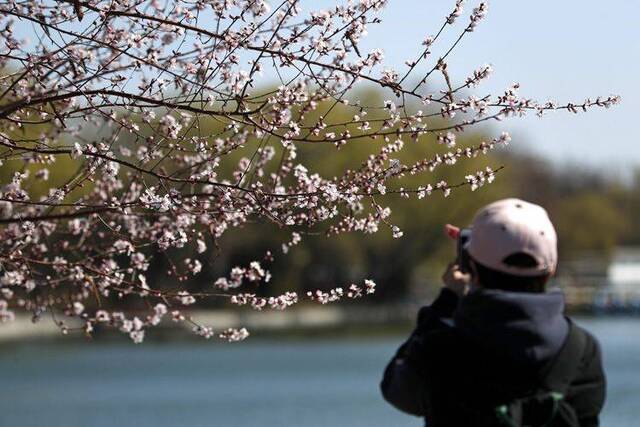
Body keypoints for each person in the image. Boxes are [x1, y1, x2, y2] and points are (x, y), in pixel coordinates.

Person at [380, 198, 606, 427]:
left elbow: (396, 389)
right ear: (550, 271)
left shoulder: (441, 349)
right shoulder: (581, 349)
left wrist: (448, 300)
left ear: (472, 268)